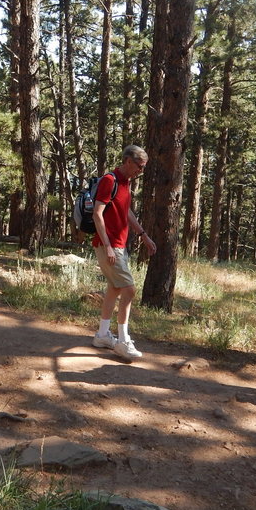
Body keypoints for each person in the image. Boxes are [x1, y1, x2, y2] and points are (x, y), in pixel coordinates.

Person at [91, 145, 157, 361]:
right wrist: (108, 245)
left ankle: (102, 335)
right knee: (129, 290)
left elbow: (125, 211)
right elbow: (97, 214)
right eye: (139, 166)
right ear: (128, 161)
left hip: (119, 244)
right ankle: (122, 341)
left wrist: (143, 235)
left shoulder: (126, 183)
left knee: (115, 288)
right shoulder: (110, 180)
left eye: (143, 168)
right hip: (108, 245)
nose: (141, 171)